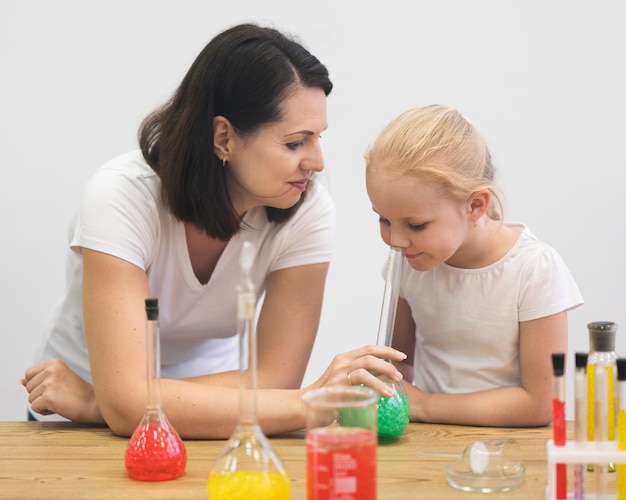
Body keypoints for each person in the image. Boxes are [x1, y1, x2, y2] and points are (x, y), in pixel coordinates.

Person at [22, 23, 405, 439]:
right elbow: (130, 402)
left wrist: (104, 402)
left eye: (318, 138)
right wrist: (314, 400)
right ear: (224, 137)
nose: (316, 161)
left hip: (129, 409)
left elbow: (275, 379)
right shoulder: (119, 198)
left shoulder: (307, 210)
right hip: (75, 427)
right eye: (296, 143)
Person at [364, 104, 583, 427]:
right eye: (384, 219)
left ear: (475, 205)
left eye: (416, 225)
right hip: (428, 444)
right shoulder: (408, 262)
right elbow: (399, 371)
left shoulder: (534, 269)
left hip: (513, 449)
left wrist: (423, 405)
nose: (396, 240)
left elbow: (541, 405)